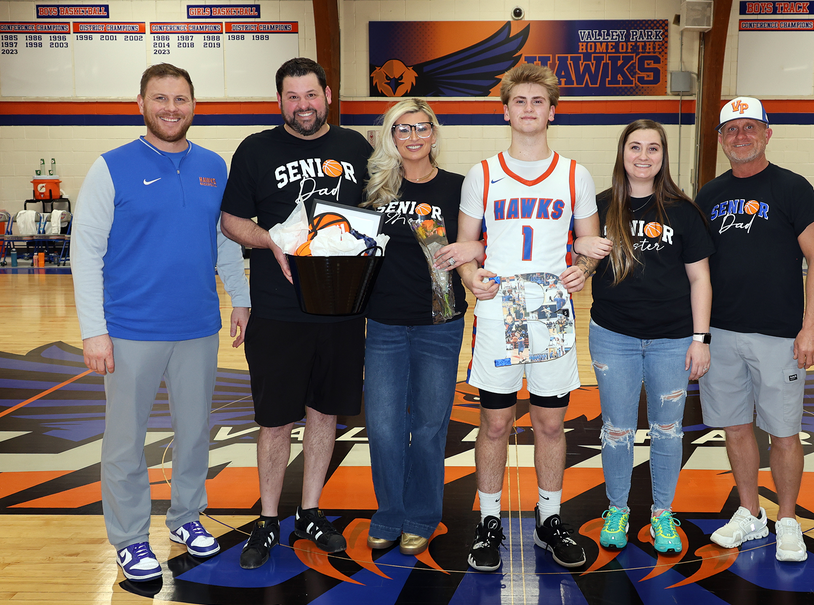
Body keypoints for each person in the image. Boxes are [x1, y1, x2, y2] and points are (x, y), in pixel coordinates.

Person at [71, 63, 250, 582]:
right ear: (141, 104)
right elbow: (86, 253)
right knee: (125, 440)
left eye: (180, 99)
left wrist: (240, 298)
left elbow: (224, 240)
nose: (171, 108)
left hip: (198, 326)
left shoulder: (214, 165)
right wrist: (93, 329)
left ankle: (186, 516)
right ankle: (129, 537)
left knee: (194, 433)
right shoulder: (111, 168)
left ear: (195, 105)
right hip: (128, 330)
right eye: (160, 98)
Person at [220, 58, 373, 569]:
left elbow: (380, 215)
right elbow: (230, 220)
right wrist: (270, 241)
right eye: (292, 96)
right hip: (279, 309)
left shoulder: (356, 148)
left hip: (341, 311)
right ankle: (267, 518)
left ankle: (310, 511)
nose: (303, 105)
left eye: (311, 94)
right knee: (275, 419)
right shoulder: (255, 150)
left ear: (327, 95)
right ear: (280, 100)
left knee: (326, 411)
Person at [456, 63, 599, 572]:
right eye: (520, 101)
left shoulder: (574, 173)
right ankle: (489, 521)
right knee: (494, 423)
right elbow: (468, 245)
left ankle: (549, 519)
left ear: (552, 111)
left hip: (551, 311)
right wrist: (472, 276)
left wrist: (583, 267)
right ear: (506, 110)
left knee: (550, 422)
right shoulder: (484, 173)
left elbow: (587, 242)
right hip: (498, 310)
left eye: (539, 101)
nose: (529, 109)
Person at [694, 97, 814, 563]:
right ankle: (750, 514)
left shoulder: (793, 188)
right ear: (721, 139)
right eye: (731, 130)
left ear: (767, 133)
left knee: (784, 433)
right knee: (735, 429)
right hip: (722, 333)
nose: (741, 136)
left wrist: (811, 328)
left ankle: (788, 519)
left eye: (750, 128)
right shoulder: (708, 195)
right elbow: (696, 269)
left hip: (780, 336)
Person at [576, 119, 713, 553]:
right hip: (613, 336)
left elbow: (700, 280)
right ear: (622, 154)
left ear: (662, 157)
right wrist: (580, 261)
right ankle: (617, 508)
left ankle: (661, 514)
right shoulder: (597, 208)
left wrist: (700, 339)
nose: (643, 156)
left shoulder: (682, 210)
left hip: (672, 340)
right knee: (616, 429)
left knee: (669, 429)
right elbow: (581, 268)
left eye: (653, 149)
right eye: (635, 147)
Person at [361, 99, 477, 556]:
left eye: (420, 128)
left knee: (429, 427)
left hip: (439, 323)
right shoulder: (374, 192)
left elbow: (480, 241)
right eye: (402, 129)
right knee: (385, 426)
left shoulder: (459, 188)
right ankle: (389, 513)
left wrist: (473, 251)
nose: (412, 137)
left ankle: (422, 515)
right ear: (391, 138)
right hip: (385, 323)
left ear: (434, 133)